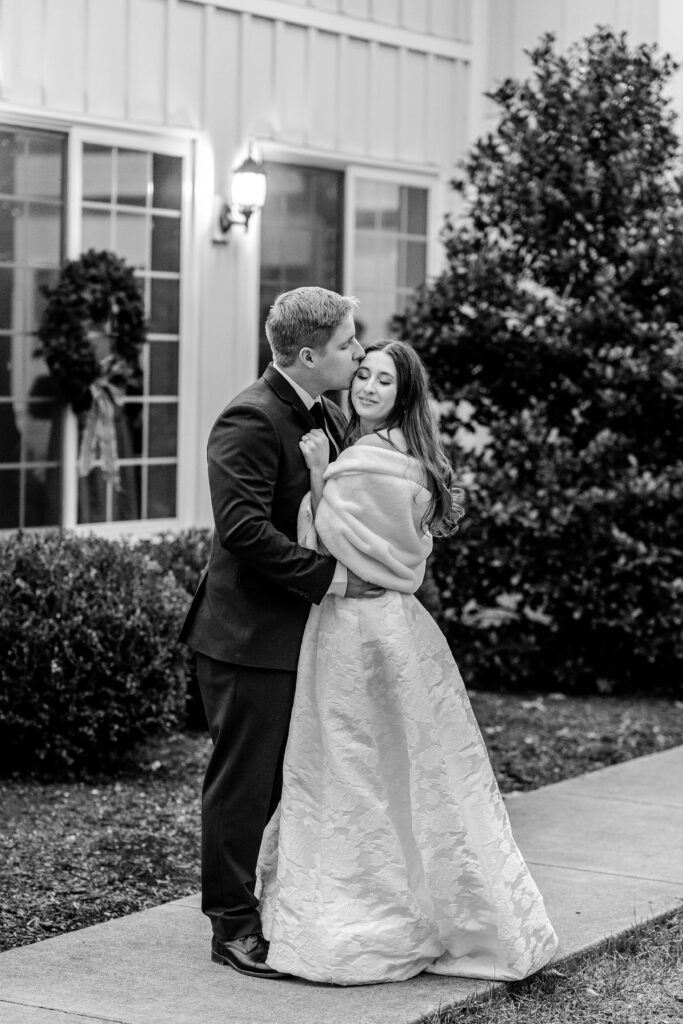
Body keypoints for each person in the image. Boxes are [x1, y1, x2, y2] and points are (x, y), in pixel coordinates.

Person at [256, 340, 559, 985]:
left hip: (354, 631)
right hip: (402, 628)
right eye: (361, 373)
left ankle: (370, 910)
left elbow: (328, 540)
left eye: (382, 380)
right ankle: (430, 898)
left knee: (352, 763)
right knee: (410, 766)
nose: (366, 386)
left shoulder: (362, 462)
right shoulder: (410, 459)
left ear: (404, 394)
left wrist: (317, 476)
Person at [179, 287, 380, 979]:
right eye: (349, 343)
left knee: (284, 782)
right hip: (247, 637)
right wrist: (332, 578)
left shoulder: (324, 410)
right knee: (245, 785)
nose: (359, 352)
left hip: (299, 634)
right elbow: (241, 530)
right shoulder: (250, 416)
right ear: (307, 354)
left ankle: (277, 903)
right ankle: (230, 926)